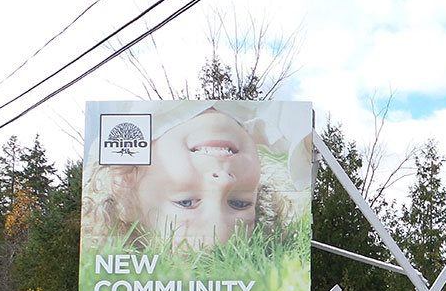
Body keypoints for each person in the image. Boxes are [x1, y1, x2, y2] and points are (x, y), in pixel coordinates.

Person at [82, 100, 312, 249]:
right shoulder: (283, 126)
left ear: (124, 180)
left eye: (186, 202)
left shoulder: (122, 116)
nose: (223, 182)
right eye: (239, 203)